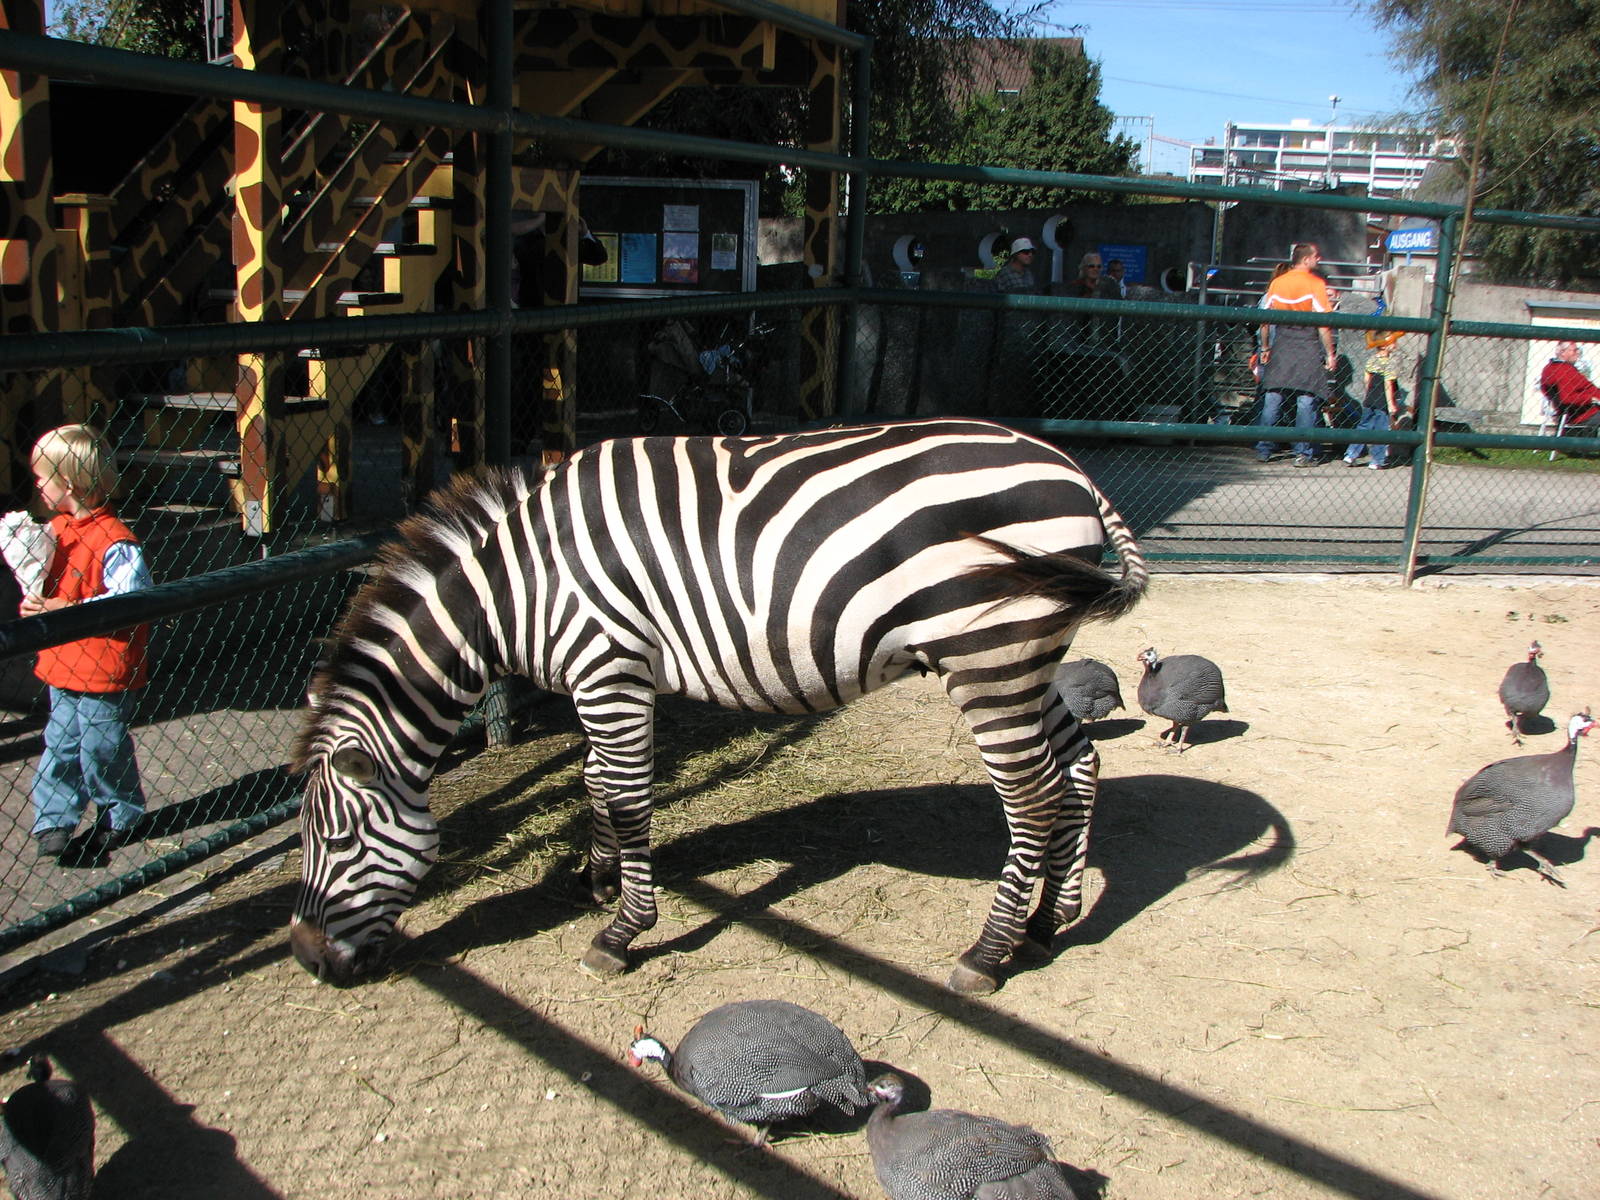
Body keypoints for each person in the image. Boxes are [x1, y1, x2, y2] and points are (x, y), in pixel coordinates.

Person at [22, 425, 153, 862]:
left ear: (69, 484)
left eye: (42, 476)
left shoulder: (115, 541)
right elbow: (45, 582)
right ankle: (54, 818)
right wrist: (37, 602)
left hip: (104, 666)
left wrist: (65, 607)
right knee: (60, 741)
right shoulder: (54, 531)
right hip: (64, 662)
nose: (36, 484)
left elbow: (128, 597)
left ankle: (122, 811)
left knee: (101, 744)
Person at [1255, 242, 1338, 466]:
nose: (1318, 259)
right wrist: (1330, 353)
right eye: (1316, 256)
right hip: (1307, 343)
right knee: (1306, 399)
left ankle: (1264, 448)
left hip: (1282, 342)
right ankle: (1303, 452)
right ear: (1306, 259)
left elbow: (1265, 320)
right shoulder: (1315, 283)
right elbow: (1324, 324)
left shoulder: (1278, 283)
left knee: (1273, 397)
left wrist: (1265, 348)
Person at [1343, 330, 1406, 469]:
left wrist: (1367, 397)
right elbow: (1388, 384)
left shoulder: (1371, 360)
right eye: (1393, 342)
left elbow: (1367, 381)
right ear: (1384, 346)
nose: (1396, 344)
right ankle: (1377, 460)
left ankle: (1351, 454)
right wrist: (1391, 405)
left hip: (1370, 399)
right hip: (1382, 401)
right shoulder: (1391, 362)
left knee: (1363, 426)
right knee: (1381, 431)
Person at [1539, 340, 1600, 429]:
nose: (1578, 353)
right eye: (1574, 350)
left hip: (1587, 411)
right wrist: (1591, 398)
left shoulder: (1558, 368)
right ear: (1562, 352)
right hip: (1585, 415)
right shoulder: (1561, 370)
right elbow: (1566, 398)